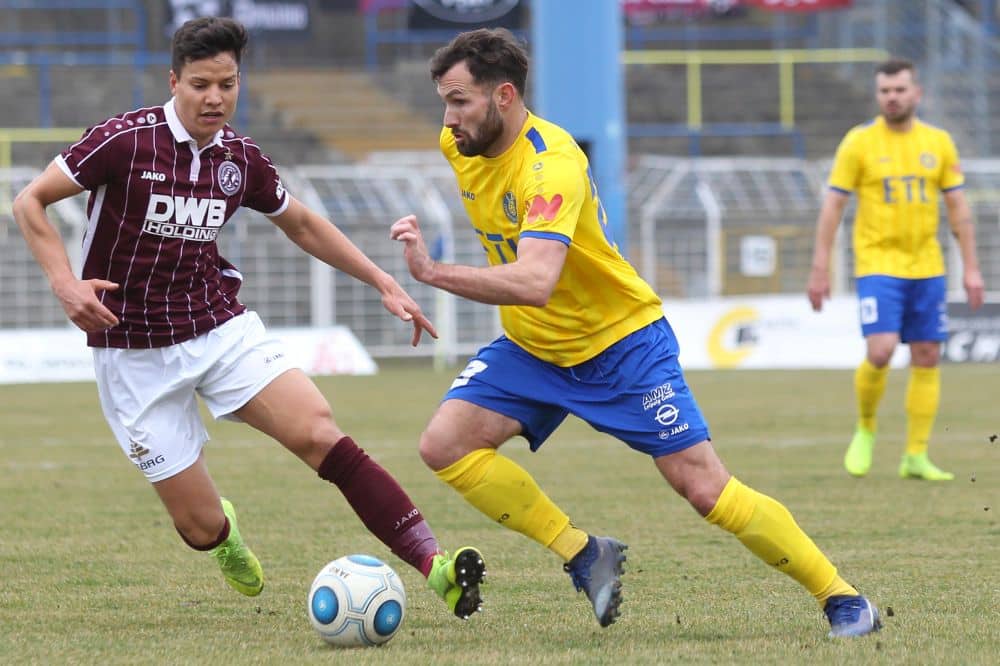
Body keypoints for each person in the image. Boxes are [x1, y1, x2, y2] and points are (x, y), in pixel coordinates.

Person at [389, 27, 880, 637]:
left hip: (620, 344)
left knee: (703, 488)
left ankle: (843, 598)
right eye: (444, 100)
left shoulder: (553, 166)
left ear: (505, 96)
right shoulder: (458, 142)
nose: (448, 117)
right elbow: (535, 294)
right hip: (535, 345)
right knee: (444, 445)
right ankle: (584, 553)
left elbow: (538, 278)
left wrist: (432, 272)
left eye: (459, 100)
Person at [13, 16, 486, 620]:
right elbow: (30, 200)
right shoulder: (124, 140)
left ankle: (436, 566)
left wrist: (380, 278)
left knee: (320, 432)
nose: (215, 98)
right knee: (198, 525)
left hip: (217, 327)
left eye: (228, 85)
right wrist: (64, 283)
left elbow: (303, 224)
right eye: (201, 84)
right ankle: (223, 535)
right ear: (174, 81)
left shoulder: (240, 157)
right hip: (132, 353)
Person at [807, 58, 984, 482]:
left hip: (927, 265)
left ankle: (915, 455)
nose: (892, 97)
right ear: (877, 95)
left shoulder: (938, 142)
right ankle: (866, 428)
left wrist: (972, 268)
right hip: (878, 263)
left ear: (916, 93)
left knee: (927, 355)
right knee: (882, 350)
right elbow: (833, 205)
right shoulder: (859, 142)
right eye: (885, 91)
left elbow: (958, 207)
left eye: (900, 90)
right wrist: (820, 267)